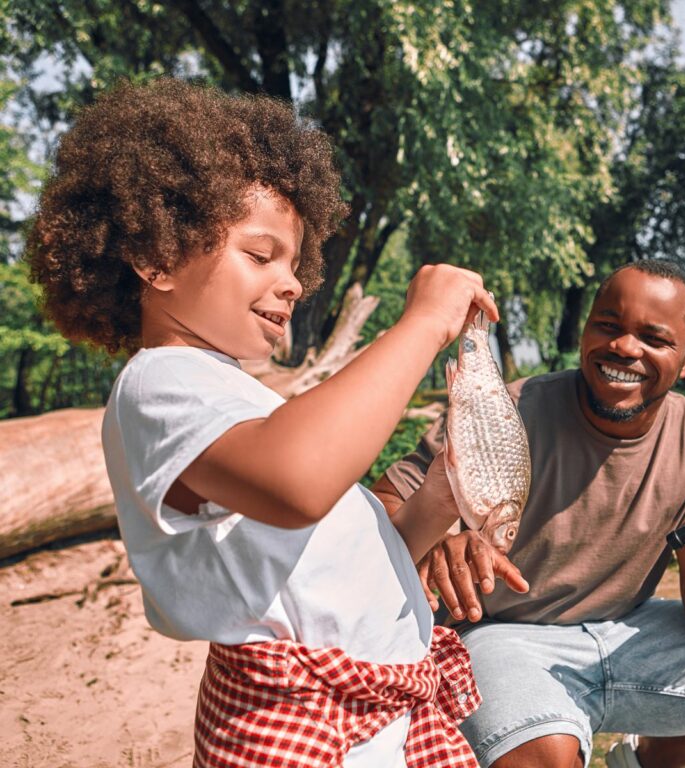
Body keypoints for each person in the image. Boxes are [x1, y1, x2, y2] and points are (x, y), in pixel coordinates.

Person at [28, 78, 499, 768]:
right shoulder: (159, 381)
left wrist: (434, 505)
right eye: (259, 254)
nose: (293, 282)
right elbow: (296, 483)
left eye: (294, 263)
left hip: (380, 714)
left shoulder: (250, 407)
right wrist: (423, 323)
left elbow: (329, 560)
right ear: (156, 257)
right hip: (304, 723)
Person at [371, 259, 685, 768]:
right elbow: (383, 502)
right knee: (544, 757)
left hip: (629, 627)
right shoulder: (504, 406)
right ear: (586, 332)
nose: (625, 347)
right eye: (608, 325)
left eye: (654, 338)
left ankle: (653, 758)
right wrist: (437, 538)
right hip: (501, 634)